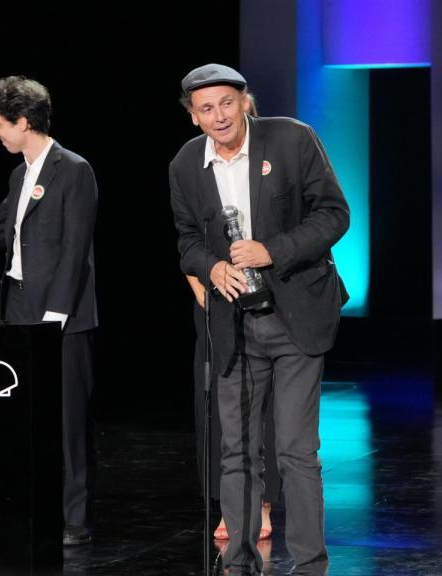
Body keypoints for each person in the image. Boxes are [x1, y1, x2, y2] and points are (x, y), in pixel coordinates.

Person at [170, 63, 349, 576]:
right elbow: (186, 239)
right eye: (206, 108)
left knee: (296, 450)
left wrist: (271, 251)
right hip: (233, 322)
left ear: (246, 101)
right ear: (193, 117)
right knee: (237, 451)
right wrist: (213, 265)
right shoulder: (186, 164)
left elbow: (334, 213)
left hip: (296, 316)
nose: (219, 115)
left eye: (227, 102)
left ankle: (311, 563)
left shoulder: (292, 139)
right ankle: (239, 562)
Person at [0, 76, 99, 547]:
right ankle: (34, 504)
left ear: (24, 122)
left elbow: (76, 248)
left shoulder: (73, 169)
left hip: (62, 314)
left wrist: (56, 312)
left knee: (68, 418)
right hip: (16, 305)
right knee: (23, 414)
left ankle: (75, 518)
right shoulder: (19, 174)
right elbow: (1, 231)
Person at [187, 274, 278, 541]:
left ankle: (263, 499)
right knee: (217, 399)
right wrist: (201, 292)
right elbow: (189, 239)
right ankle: (230, 505)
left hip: (265, 293)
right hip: (215, 295)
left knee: (265, 399)